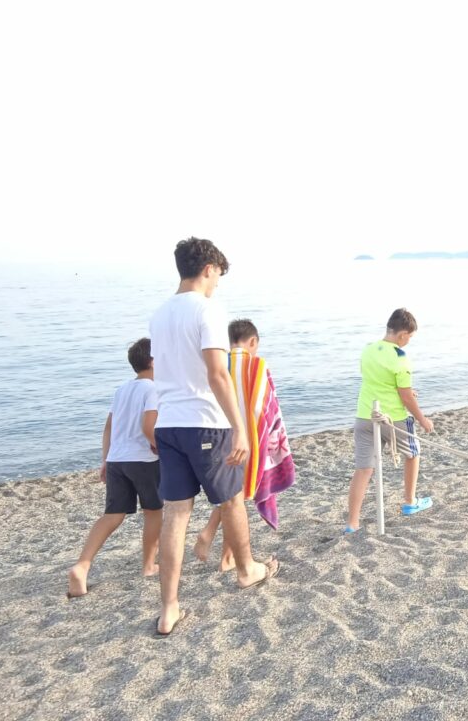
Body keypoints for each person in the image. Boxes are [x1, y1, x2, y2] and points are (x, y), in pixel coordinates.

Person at [150, 237, 278, 638]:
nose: (218, 283)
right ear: (208, 269)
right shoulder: (207, 310)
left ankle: (168, 608)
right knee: (231, 499)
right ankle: (247, 569)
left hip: (168, 422)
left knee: (175, 513)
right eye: (218, 274)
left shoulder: (159, 314)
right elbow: (217, 373)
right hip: (204, 421)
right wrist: (239, 426)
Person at [194, 318, 296, 571]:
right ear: (253, 341)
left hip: (218, 435)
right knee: (237, 497)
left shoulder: (218, 362)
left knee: (232, 494)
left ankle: (227, 557)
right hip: (248, 437)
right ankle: (209, 534)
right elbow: (268, 407)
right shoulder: (257, 365)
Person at [67, 338, 161, 598]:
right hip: (144, 460)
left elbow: (108, 427)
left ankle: (82, 565)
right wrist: (164, 449)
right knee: (154, 512)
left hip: (118, 459)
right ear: (154, 361)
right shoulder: (154, 389)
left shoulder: (122, 389)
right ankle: (148, 566)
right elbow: (148, 428)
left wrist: (106, 460)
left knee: (112, 515)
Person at [345, 308, 435, 533]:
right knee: (412, 454)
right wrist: (422, 419)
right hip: (393, 418)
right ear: (403, 334)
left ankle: (352, 524)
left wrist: (406, 391)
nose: (409, 342)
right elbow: (405, 398)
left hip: (365, 415)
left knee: (363, 469)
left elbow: (379, 381)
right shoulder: (400, 357)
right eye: (410, 337)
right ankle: (410, 502)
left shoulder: (368, 349)